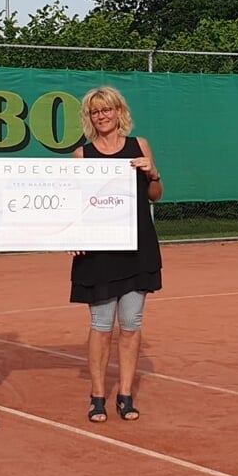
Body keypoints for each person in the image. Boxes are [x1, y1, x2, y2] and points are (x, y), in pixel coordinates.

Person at [71, 86, 163, 423]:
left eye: (106, 109)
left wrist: (152, 172)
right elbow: (76, 206)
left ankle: (125, 395)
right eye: (95, 112)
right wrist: (75, 234)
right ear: (90, 117)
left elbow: (155, 195)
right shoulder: (82, 155)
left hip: (138, 247)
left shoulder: (139, 146)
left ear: (118, 111)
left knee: (131, 324)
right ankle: (98, 396)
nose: (101, 116)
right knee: (101, 324)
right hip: (98, 252)